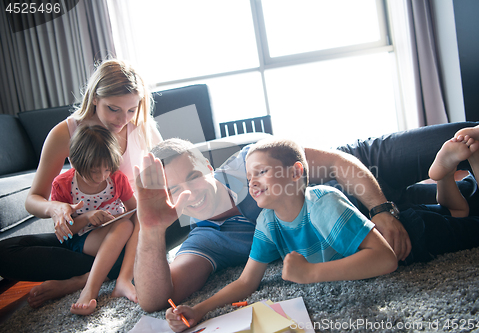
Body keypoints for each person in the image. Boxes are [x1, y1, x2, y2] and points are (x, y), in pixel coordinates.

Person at [166, 111, 479, 330]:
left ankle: (473, 159)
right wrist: (199, 309)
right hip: (385, 219)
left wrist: (312, 273)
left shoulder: (323, 201)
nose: (251, 182)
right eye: (250, 177)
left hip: (398, 217)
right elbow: (245, 282)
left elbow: (385, 258)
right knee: (462, 208)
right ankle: (444, 178)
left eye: (261, 174)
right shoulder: (267, 220)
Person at [133, 135, 410, 313]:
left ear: (207, 166)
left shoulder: (248, 163)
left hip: (366, 171)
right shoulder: (203, 240)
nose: (189, 193)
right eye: (174, 189)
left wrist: (381, 208)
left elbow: (338, 162)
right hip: (362, 236)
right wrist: (151, 231)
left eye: (193, 176)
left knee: (451, 137)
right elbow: (155, 300)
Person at [0, 58, 162, 308]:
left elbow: (165, 182)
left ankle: (82, 280)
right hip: (86, 232)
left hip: (137, 229)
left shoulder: (143, 128)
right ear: (95, 97)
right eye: (113, 108)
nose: (122, 120)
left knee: (160, 226)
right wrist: (55, 208)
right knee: (5, 253)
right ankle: (111, 270)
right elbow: (33, 199)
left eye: (131, 110)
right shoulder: (65, 132)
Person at [52, 125, 137, 315]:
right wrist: (87, 217)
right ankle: (90, 290)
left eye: (107, 169)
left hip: (116, 233)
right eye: (94, 171)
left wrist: (116, 218)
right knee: (124, 228)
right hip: (83, 238)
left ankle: (91, 279)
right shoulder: (63, 185)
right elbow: (64, 233)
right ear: (74, 161)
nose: (101, 177)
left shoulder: (116, 179)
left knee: (131, 225)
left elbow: (134, 209)